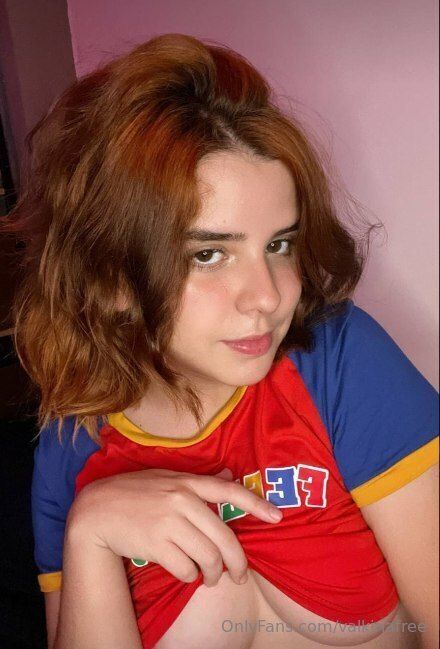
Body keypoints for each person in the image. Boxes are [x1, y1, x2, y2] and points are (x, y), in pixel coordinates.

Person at [2, 33, 438, 649]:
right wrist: (89, 532)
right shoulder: (74, 442)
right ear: (112, 277)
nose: (268, 297)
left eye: (279, 245)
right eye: (208, 254)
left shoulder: (338, 362)